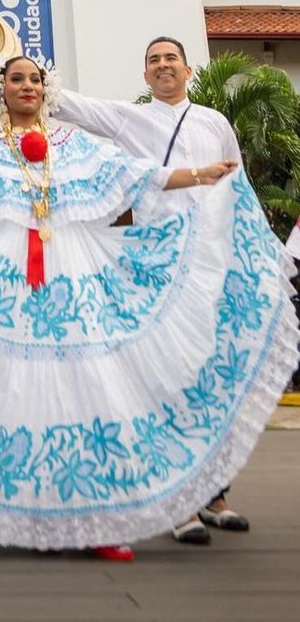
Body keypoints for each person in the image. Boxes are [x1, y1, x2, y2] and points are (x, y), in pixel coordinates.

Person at [0, 54, 297, 559]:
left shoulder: (74, 146)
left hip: (73, 279)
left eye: (35, 79)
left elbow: (136, 176)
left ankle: (99, 523)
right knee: (21, 394)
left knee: (92, 390)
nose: (27, 86)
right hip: (9, 285)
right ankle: (32, 514)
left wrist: (197, 174)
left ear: (46, 90)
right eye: (16, 79)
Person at [54, 37, 249, 544]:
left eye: (170, 59)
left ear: (188, 70)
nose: (163, 66)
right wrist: (4, 57)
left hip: (211, 262)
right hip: (154, 267)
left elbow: (238, 188)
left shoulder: (215, 123)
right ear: (146, 76)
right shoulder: (128, 119)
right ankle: (174, 505)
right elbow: (67, 102)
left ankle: (215, 497)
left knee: (209, 381)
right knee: (163, 378)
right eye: (153, 61)